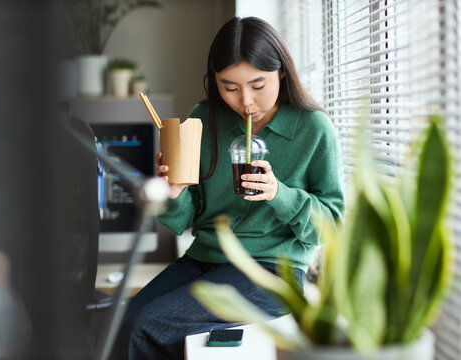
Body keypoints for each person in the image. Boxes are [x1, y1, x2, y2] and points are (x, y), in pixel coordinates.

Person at [111, 16, 345, 359]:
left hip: (271, 270)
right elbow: (185, 219)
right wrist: (175, 195)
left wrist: (279, 194)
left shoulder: (313, 129)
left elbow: (332, 225)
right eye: (230, 87)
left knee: (147, 325)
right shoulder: (204, 119)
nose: (245, 100)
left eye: (258, 84)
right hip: (204, 259)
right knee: (122, 322)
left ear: (281, 72)